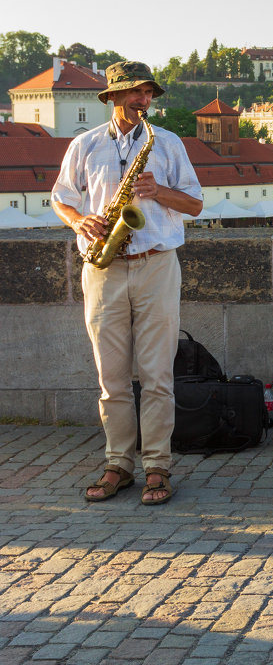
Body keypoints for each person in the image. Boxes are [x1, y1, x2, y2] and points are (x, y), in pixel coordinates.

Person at [51, 61, 204, 505]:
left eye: (148, 93)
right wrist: (82, 221)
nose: (143, 100)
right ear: (113, 97)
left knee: (157, 375)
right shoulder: (85, 144)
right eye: (134, 93)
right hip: (103, 266)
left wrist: (160, 193)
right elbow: (61, 198)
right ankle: (118, 462)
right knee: (111, 377)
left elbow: (194, 204)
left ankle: (157, 466)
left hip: (156, 264)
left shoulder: (168, 143)